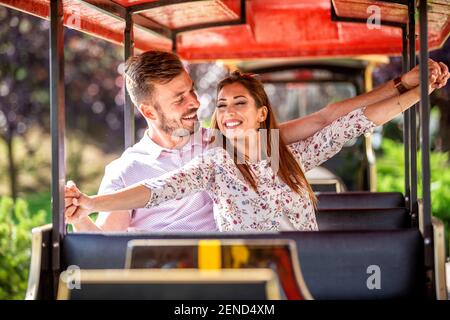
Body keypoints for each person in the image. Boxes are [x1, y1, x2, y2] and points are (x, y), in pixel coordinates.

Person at [69, 50, 448, 232]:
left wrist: (406, 86)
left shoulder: (226, 143)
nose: (195, 104)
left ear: (261, 114)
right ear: (150, 112)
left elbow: (331, 121)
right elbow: (109, 242)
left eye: (191, 92)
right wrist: (82, 207)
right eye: (180, 99)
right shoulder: (127, 170)